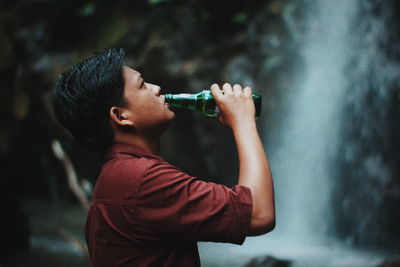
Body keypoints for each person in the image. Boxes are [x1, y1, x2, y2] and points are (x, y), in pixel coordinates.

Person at [52, 48, 275, 267]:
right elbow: (258, 214)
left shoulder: (119, 176)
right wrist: (244, 122)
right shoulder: (143, 180)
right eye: (142, 85)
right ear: (121, 116)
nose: (157, 88)